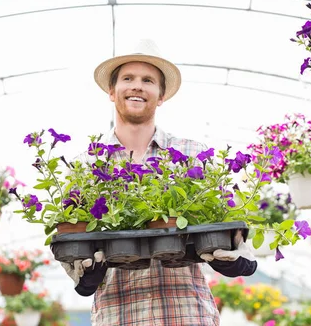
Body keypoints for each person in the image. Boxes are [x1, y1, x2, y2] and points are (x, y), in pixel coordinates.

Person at [60, 40, 257, 326]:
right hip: (119, 315)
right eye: (128, 78)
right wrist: (86, 275)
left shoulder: (192, 155)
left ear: (161, 95)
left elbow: (233, 238)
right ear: (111, 92)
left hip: (187, 313)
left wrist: (234, 258)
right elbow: (74, 257)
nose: (137, 86)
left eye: (148, 80)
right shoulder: (87, 166)